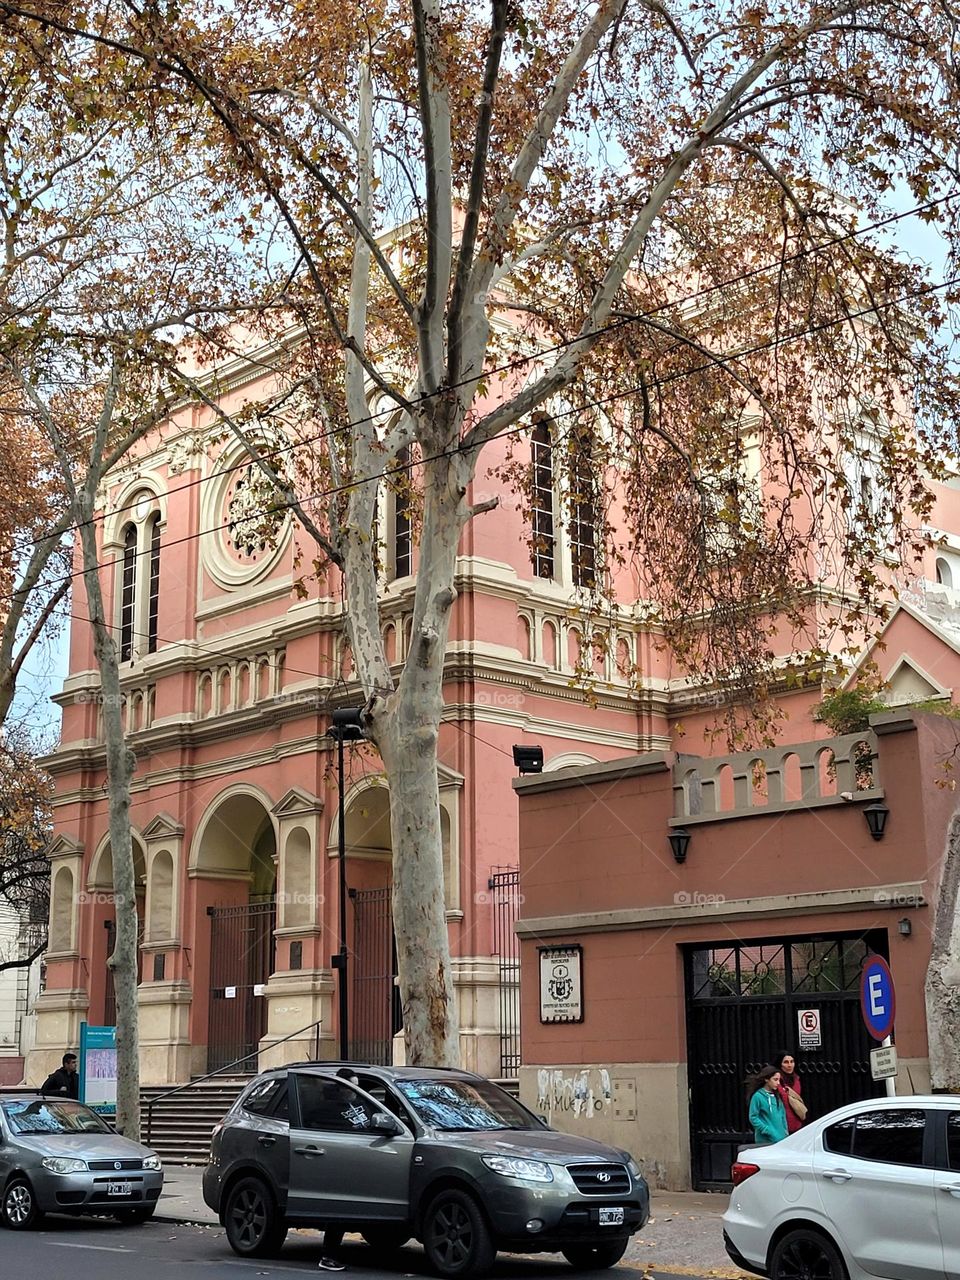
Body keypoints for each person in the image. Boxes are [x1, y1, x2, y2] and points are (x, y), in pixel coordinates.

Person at [747, 1065, 788, 1145]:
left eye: (779, 1080)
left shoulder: (777, 1096)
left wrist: (785, 1131)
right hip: (765, 1140)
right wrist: (766, 1130)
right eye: (775, 1080)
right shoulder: (757, 1096)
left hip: (781, 1139)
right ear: (766, 1079)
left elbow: (782, 1114)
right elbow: (753, 1117)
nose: (778, 1083)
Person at [773, 1049, 805, 1134]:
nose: (789, 1065)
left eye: (792, 1061)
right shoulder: (776, 1081)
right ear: (780, 1064)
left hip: (797, 1123)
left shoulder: (796, 1079)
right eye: (786, 1062)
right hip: (781, 1124)